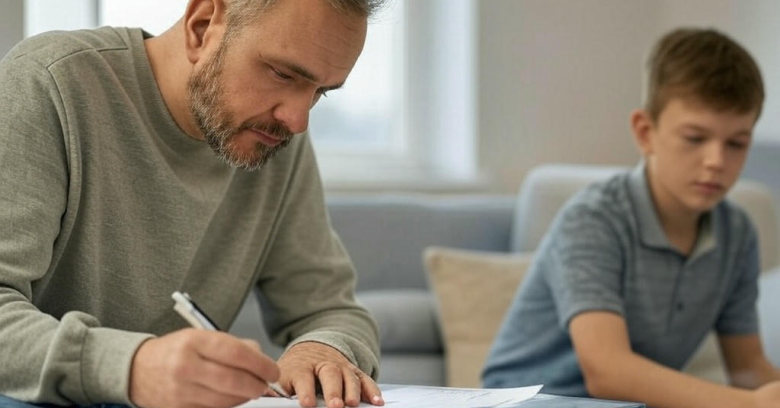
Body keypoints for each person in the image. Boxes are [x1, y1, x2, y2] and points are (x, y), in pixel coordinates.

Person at [0, 0, 387, 407]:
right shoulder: (49, 82)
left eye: (319, 92)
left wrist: (324, 349)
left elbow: (330, 309)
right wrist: (131, 368)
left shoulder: (274, 137)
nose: (297, 119)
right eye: (283, 73)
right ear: (202, 26)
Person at [482, 28, 780, 407]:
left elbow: (747, 367)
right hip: (527, 400)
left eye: (736, 143)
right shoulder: (594, 219)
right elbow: (607, 371)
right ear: (645, 132)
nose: (716, 162)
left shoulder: (737, 233)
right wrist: (751, 404)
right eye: (694, 138)